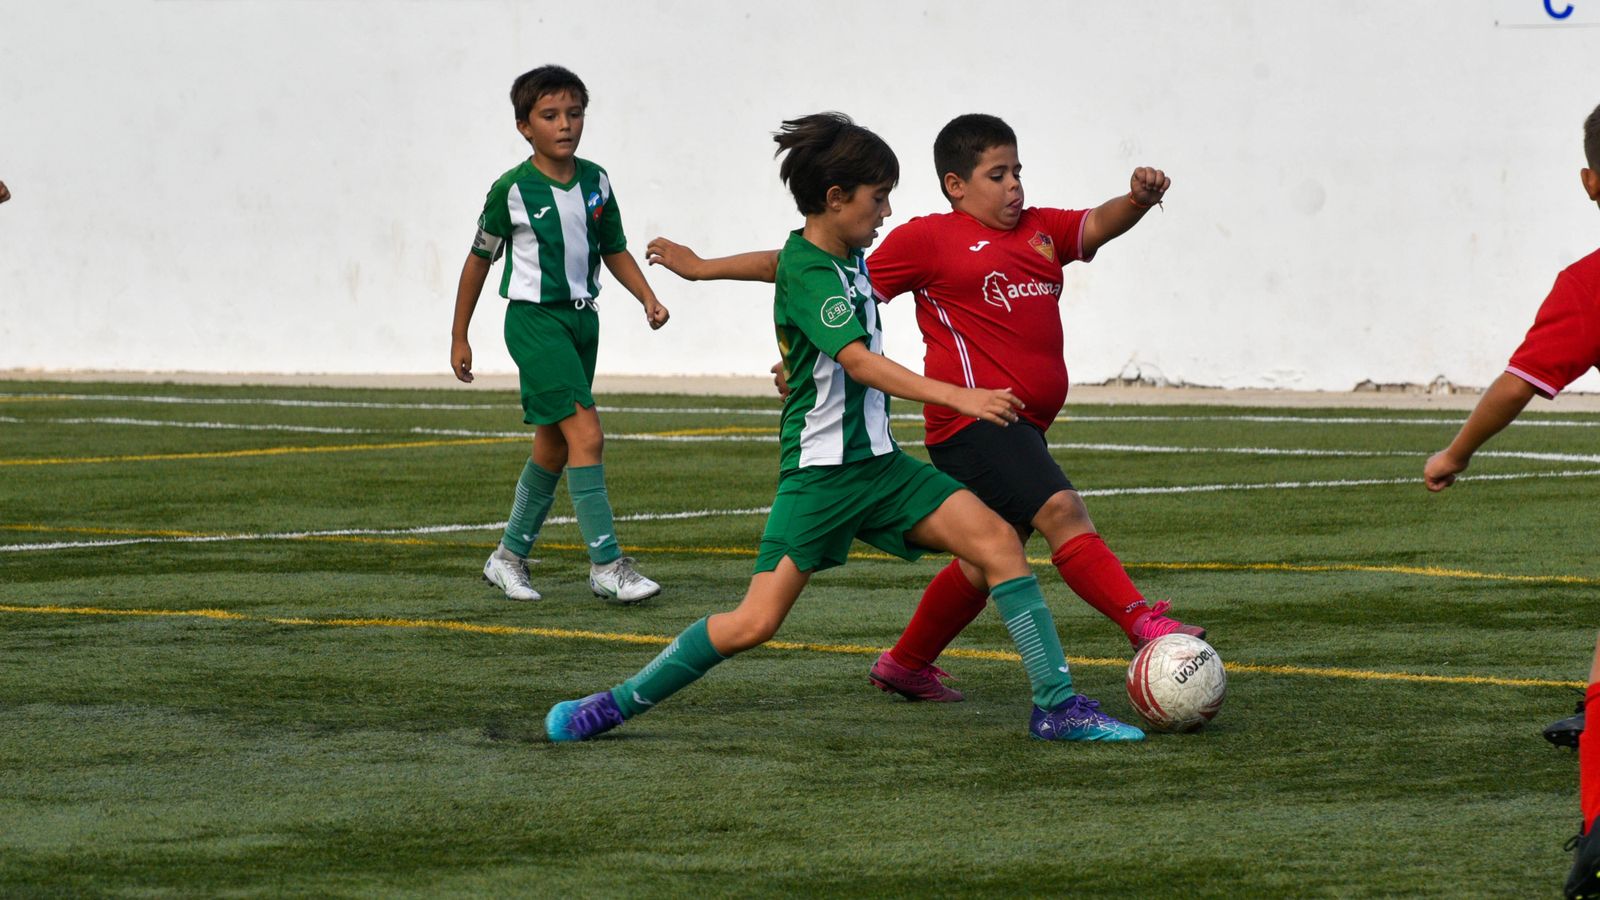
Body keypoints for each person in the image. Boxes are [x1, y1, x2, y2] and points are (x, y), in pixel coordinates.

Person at [546, 113, 1144, 744]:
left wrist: (701, 267)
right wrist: (958, 397)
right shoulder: (817, 271)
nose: (886, 212)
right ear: (836, 199)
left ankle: (1056, 706)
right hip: (821, 478)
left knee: (999, 543)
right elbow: (857, 359)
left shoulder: (834, 252)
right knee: (754, 623)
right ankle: (613, 704)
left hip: (881, 467)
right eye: (877, 197)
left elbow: (776, 260)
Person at [1421, 102, 1600, 900]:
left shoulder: (1589, 283)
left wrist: (1456, 450)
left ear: (1590, 183)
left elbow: (1517, 385)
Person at [451, 65, 668, 604]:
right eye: (550, 115)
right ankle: (607, 565)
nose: (564, 124)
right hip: (534, 321)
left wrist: (647, 296)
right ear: (525, 126)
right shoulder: (511, 189)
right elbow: (478, 261)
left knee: (553, 445)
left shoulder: (597, 180)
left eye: (574, 114)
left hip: (581, 321)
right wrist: (460, 335)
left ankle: (507, 558)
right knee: (587, 434)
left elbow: (613, 247)